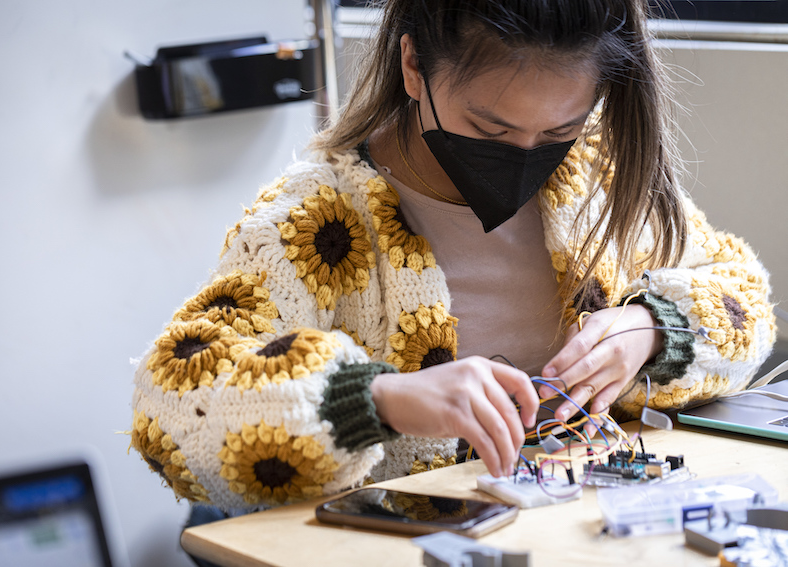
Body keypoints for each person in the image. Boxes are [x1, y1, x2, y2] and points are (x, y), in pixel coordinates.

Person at [130, 0, 776, 521]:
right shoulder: (317, 222)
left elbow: (744, 299)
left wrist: (656, 329)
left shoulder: (598, 173)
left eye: (558, 130)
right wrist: (382, 399)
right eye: (491, 130)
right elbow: (170, 406)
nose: (526, 154)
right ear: (413, 67)